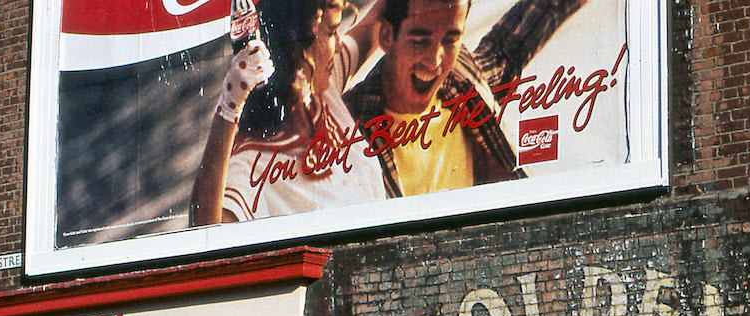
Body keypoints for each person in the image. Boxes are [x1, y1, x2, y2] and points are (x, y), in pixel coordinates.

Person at [345, 0, 588, 198]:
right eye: (420, 40)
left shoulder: (463, 80)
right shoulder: (348, 127)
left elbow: (516, 40)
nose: (435, 60)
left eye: (450, 40)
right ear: (387, 35)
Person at [190, 0, 386, 224]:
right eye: (333, 32)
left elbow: (381, 17)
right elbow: (205, 231)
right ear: (299, 51)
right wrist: (228, 107)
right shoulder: (250, 162)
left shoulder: (324, 90)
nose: (340, 45)